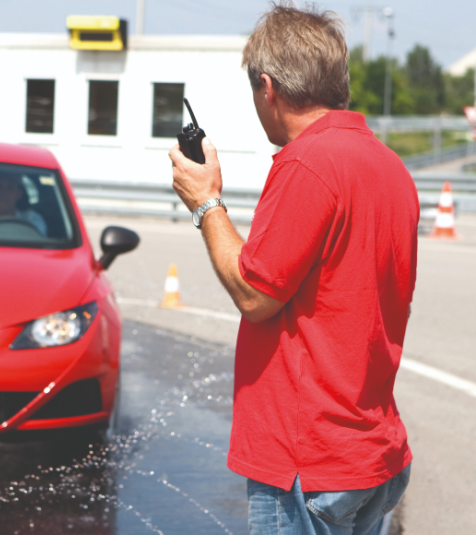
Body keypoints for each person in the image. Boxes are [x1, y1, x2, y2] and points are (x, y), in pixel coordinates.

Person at [168, 4, 418, 534]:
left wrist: (206, 203)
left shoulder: (308, 163)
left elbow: (256, 294)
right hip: (370, 448)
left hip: (310, 459)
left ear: (268, 86)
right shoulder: (390, 167)